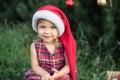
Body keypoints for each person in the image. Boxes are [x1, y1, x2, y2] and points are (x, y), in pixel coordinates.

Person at [25, 5, 77, 80]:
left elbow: (68, 66)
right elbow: (35, 66)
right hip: (42, 73)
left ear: (59, 29)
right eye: (42, 27)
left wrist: (59, 74)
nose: (47, 32)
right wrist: (44, 74)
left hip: (60, 73)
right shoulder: (34, 46)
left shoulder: (64, 46)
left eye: (52, 27)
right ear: (37, 27)